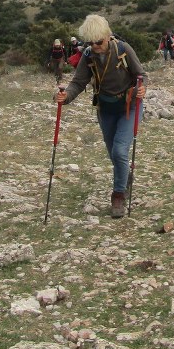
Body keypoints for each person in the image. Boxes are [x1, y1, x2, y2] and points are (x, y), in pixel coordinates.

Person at [56, 14, 146, 218]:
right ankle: (125, 176)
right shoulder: (88, 56)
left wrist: (143, 88)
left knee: (120, 151)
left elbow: (141, 75)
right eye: (91, 42)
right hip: (105, 109)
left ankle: (118, 195)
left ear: (107, 36)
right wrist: (65, 97)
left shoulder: (123, 49)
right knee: (113, 154)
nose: (95, 46)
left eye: (99, 42)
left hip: (129, 106)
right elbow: (78, 83)